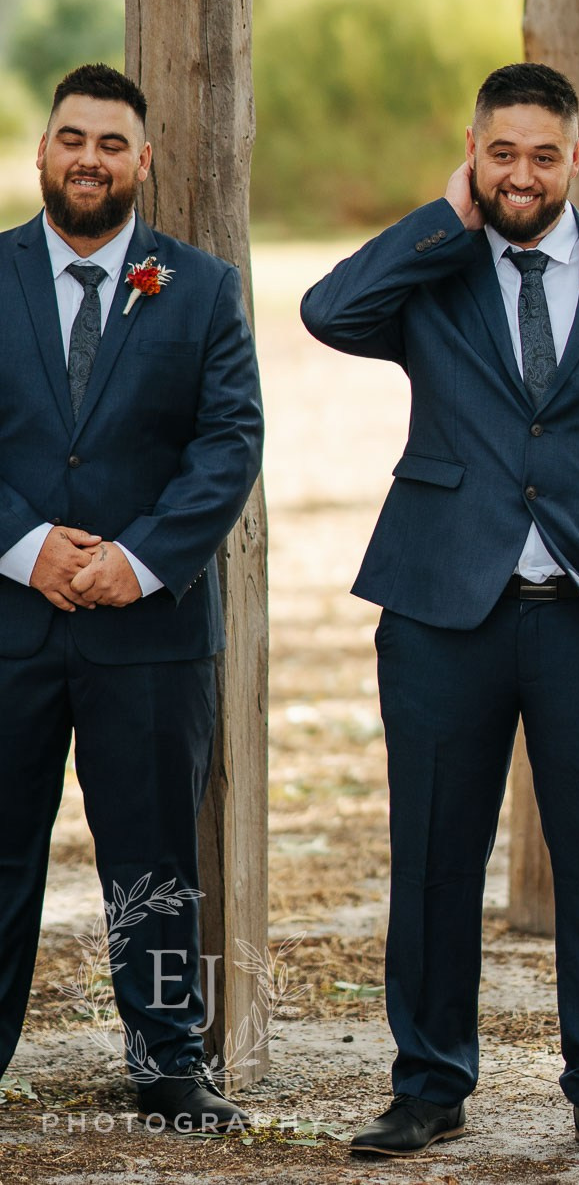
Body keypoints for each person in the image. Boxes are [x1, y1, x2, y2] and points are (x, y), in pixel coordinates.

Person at [301, 62, 579, 1165]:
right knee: (435, 856)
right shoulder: (435, 274)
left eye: (543, 155)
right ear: (474, 154)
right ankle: (430, 1083)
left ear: (576, 160)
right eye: (501, 154)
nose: (521, 175)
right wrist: (442, 218)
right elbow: (327, 310)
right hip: (444, 611)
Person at [0, 63, 264, 1132]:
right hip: (8, 622)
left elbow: (230, 439)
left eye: (113, 144)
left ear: (142, 162)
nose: (90, 160)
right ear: (42, 152)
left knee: (154, 861)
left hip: (150, 630)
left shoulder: (197, 287)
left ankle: (167, 1063)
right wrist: (24, 548)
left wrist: (138, 560)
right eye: (73, 138)